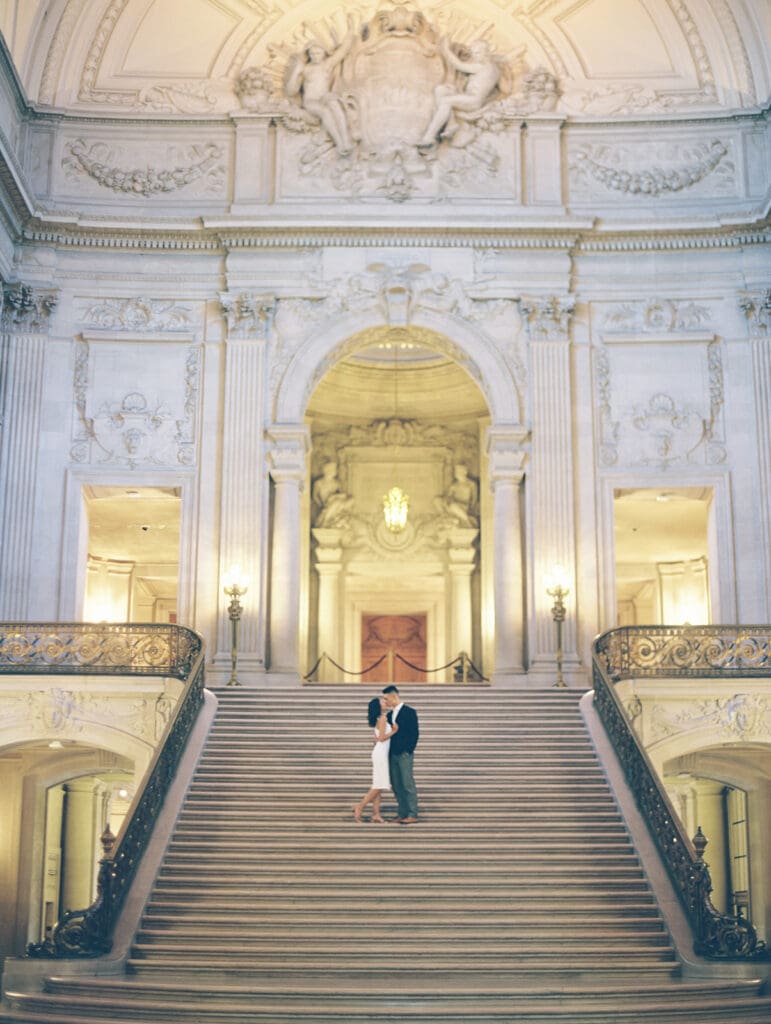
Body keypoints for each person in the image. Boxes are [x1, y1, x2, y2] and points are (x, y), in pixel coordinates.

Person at [284, 17, 356, 155]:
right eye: (312, 54)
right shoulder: (305, 69)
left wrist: (351, 31)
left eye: (318, 53)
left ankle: (346, 139)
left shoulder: (326, 65)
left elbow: (343, 50)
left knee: (335, 104)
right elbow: (291, 91)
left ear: (324, 53)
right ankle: (340, 143)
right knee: (325, 112)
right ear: (308, 54)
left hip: (325, 97)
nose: (315, 56)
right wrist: (296, 72)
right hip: (311, 101)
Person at [419, 38, 501, 148]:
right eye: (473, 53)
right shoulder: (494, 68)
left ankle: (429, 136)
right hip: (467, 96)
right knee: (441, 89)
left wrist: (446, 50)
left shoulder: (482, 66)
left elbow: (459, 65)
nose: (475, 56)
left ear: (487, 52)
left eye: (478, 52)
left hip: (473, 101)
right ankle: (451, 124)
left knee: (446, 101)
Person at [353, 697, 397, 823]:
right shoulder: (382, 718)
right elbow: (382, 738)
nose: (385, 702)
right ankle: (359, 807)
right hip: (380, 753)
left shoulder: (380, 718)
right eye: (383, 702)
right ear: (378, 706)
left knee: (378, 784)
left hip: (380, 752)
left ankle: (376, 814)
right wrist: (394, 731)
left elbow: (377, 738)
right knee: (379, 785)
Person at [382, 684, 419, 823]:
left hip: (404, 753)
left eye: (386, 699)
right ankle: (402, 813)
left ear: (393, 696)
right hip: (392, 754)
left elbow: (414, 733)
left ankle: (412, 813)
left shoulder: (409, 712)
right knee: (396, 784)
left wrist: (408, 750)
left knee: (407, 783)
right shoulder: (390, 714)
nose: (385, 702)